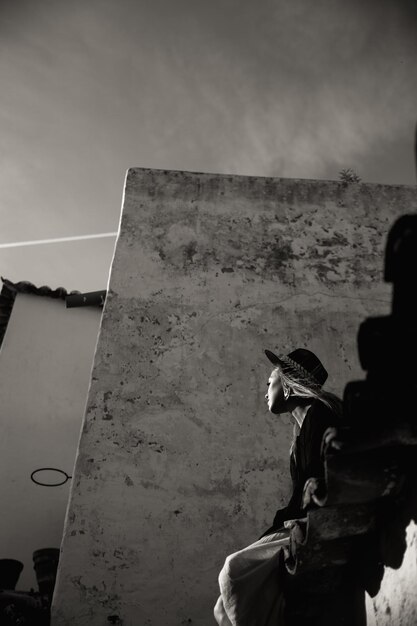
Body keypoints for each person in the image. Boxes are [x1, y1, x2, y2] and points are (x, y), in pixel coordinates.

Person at [213, 348, 342, 626]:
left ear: (286, 385)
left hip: (315, 520)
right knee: (223, 608)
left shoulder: (320, 416)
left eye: (268, 382)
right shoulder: (300, 437)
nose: (264, 391)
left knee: (233, 572)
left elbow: (319, 482)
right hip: (299, 520)